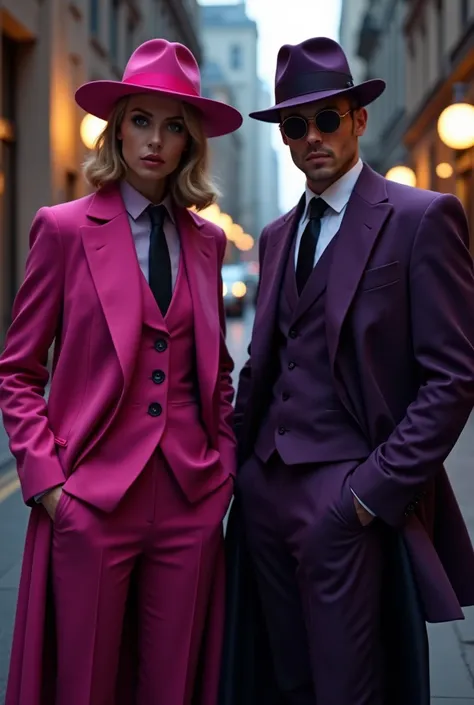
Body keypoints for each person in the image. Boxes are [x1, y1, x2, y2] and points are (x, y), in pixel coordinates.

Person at [226, 37, 474, 705]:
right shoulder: (277, 235)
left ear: (358, 119)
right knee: (283, 678)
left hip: (345, 500)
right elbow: (263, 362)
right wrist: (235, 474)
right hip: (264, 494)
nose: (312, 137)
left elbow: (453, 377)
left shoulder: (421, 219)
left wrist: (369, 493)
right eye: (295, 125)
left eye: (327, 118)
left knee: (349, 686)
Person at [0, 38, 242, 705]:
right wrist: (50, 485)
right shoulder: (64, 229)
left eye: (172, 126)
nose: (154, 140)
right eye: (140, 120)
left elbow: (216, 371)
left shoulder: (207, 240)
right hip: (92, 501)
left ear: (191, 141)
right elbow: (18, 370)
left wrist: (222, 470)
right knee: (84, 685)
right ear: (117, 128)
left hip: (190, 499)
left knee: (173, 685)